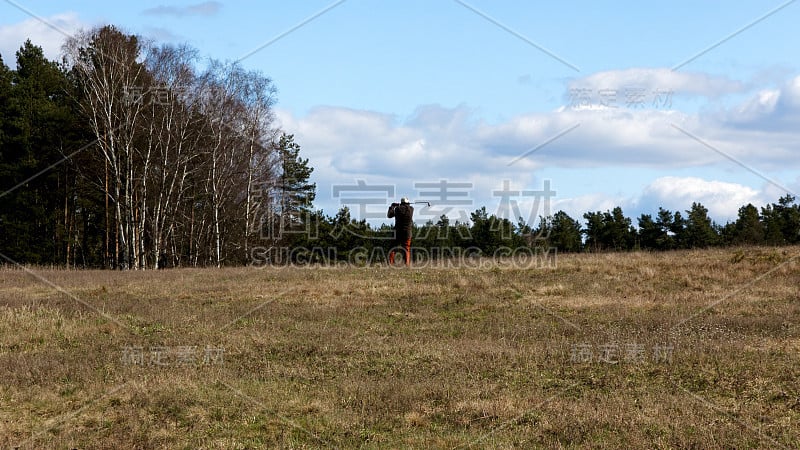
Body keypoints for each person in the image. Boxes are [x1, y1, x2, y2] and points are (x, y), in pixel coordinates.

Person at [387, 197, 414, 266]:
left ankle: (391, 263)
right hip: (407, 233)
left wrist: (392, 206)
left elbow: (389, 215)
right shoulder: (411, 209)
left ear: (401, 203)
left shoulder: (397, 209)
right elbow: (407, 207)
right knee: (406, 248)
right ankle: (407, 264)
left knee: (392, 248)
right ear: (408, 203)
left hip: (397, 232)